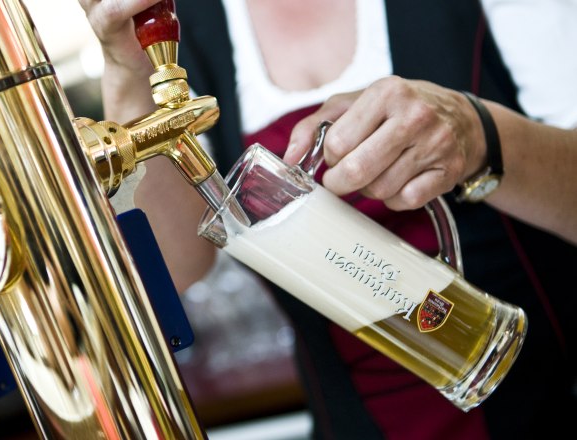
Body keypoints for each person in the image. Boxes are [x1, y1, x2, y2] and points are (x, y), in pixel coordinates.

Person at [79, 0, 577, 438]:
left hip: (547, 394)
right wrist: (125, 66)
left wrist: (478, 134)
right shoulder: (174, 20)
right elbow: (178, 270)